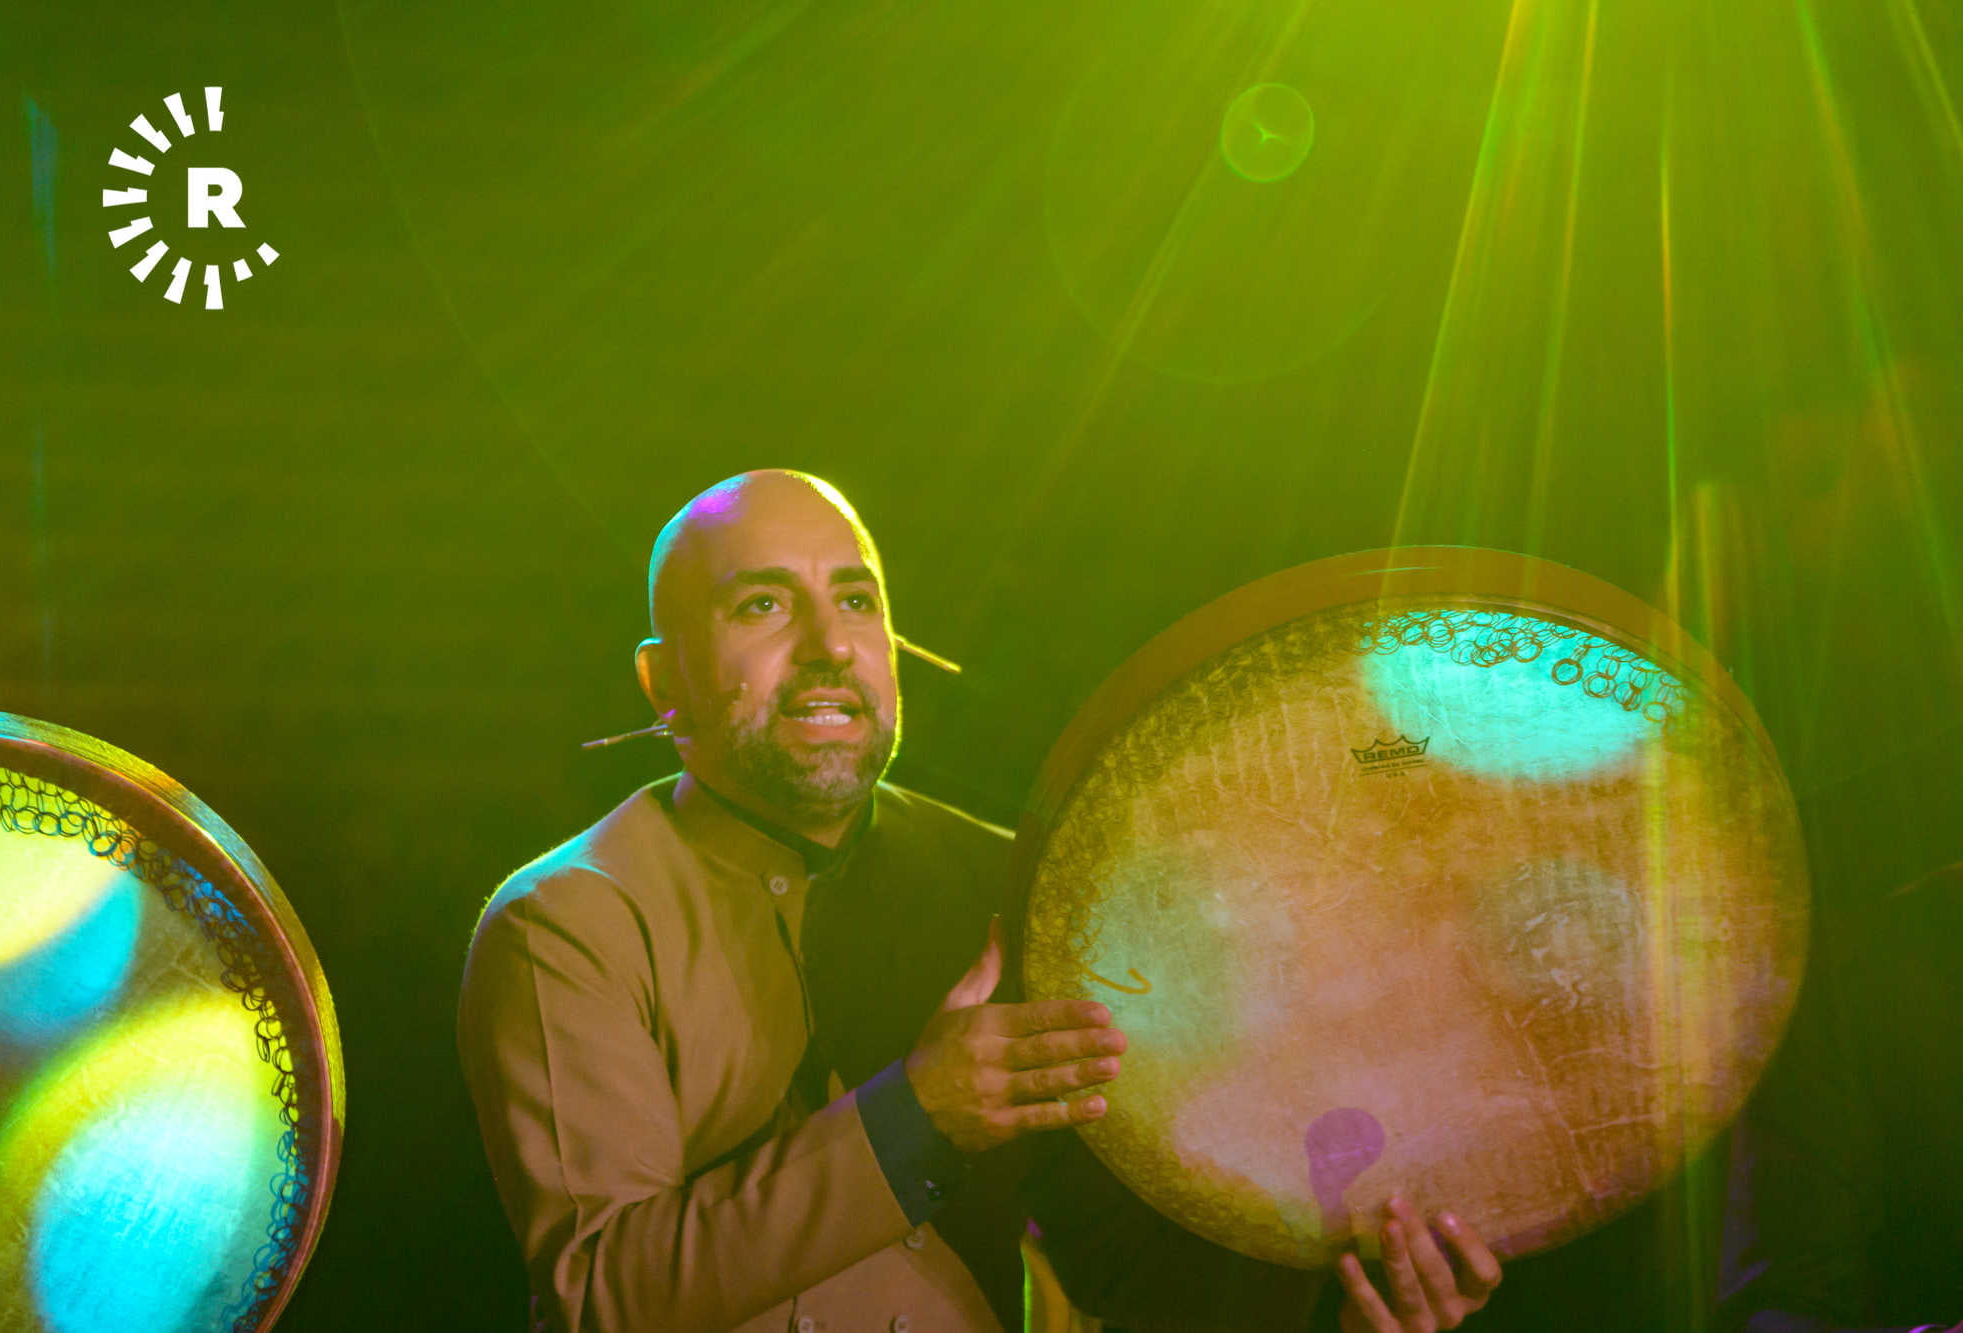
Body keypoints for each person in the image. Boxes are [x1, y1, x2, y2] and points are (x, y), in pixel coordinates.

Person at [458, 470, 1502, 1331]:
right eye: (762, 604)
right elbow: (598, 1294)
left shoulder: (1009, 885)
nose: (830, 646)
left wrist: (1344, 1300)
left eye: (858, 601)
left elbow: (1126, 1269)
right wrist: (915, 1116)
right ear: (661, 681)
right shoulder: (567, 920)